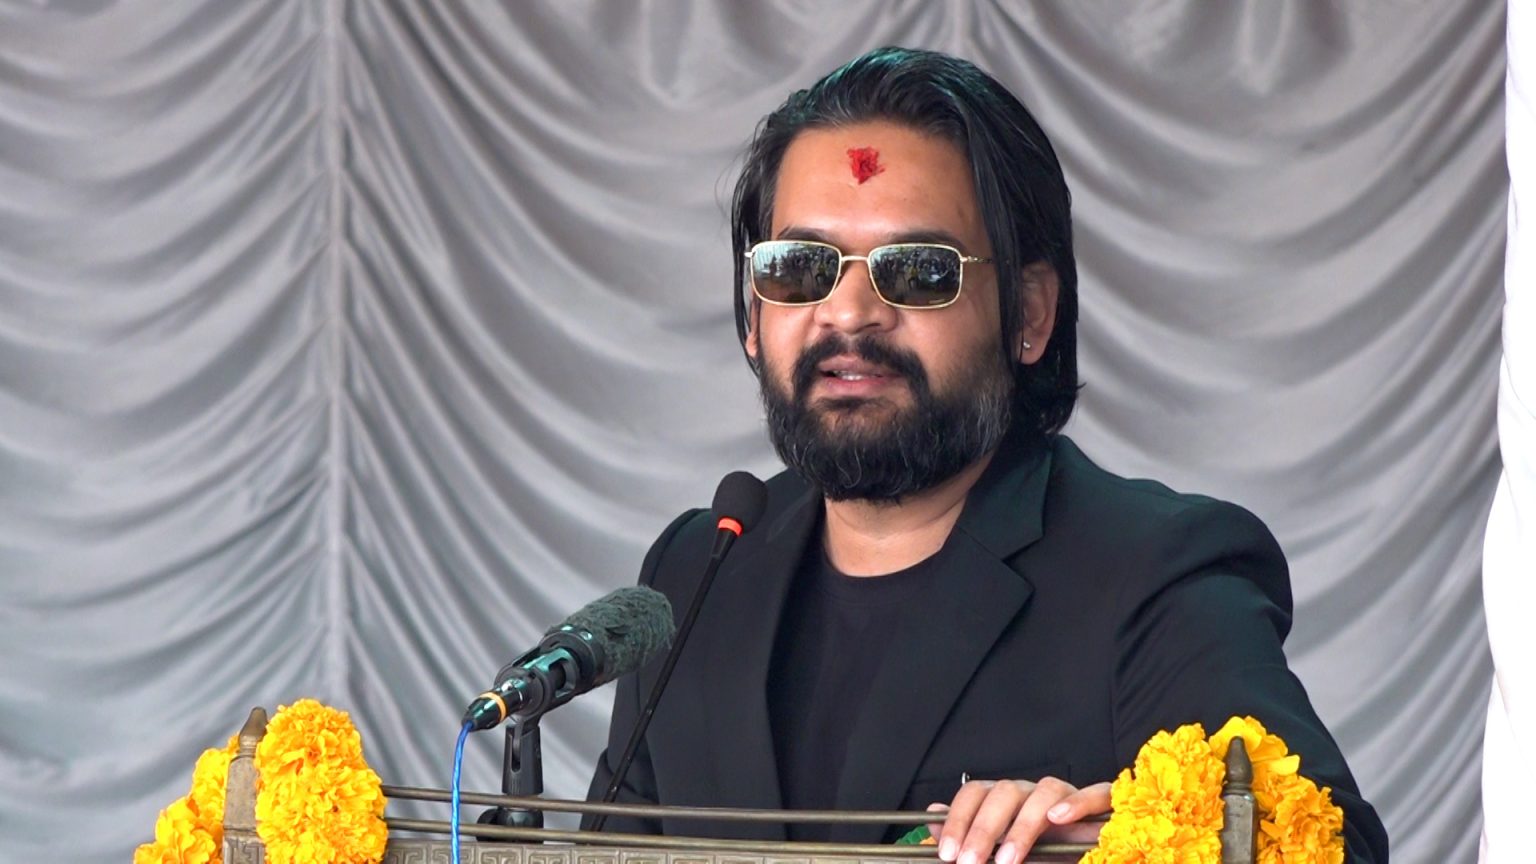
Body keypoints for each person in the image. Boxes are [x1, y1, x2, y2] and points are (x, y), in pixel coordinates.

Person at [584, 46, 1389, 863]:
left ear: (1029, 315)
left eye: (918, 270)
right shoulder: (698, 574)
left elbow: (1327, 842)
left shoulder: (1152, 574)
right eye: (800, 268)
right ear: (755, 315)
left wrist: (1110, 841)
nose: (849, 313)